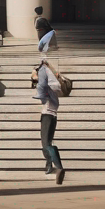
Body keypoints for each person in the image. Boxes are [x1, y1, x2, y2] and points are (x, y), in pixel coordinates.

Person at [33, 56, 65, 184]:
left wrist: (38, 77)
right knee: (48, 142)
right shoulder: (50, 76)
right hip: (52, 113)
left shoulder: (46, 75)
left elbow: (49, 86)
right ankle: (50, 166)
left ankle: (58, 167)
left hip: (47, 113)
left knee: (45, 142)